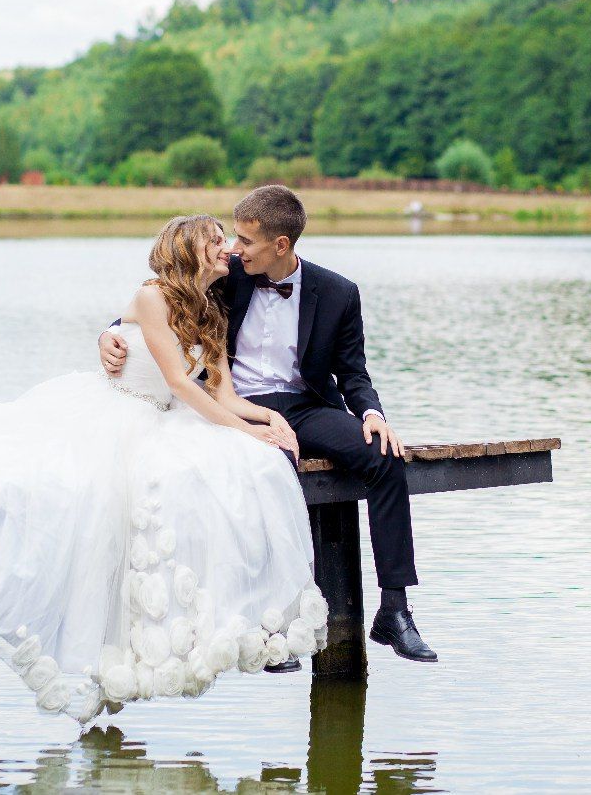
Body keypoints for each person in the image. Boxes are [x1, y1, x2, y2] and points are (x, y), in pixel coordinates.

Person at [0, 214, 330, 723]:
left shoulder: (212, 309)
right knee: (91, 486)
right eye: (215, 241)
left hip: (166, 416)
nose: (227, 248)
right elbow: (179, 382)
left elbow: (223, 394)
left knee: (254, 466)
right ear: (188, 250)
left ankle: (251, 623)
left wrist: (267, 419)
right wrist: (244, 431)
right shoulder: (152, 297)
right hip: (118, 413)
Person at [100, 185, 437, 665]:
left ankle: (395, 611)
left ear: (281, 245)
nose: (234, 248)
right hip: (237, 404)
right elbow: (163, 305)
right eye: (232, 239)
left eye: (245, 240)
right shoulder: (226, 273)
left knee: (384, 457)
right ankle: (275, 621)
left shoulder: (338, 293)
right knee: (270, 468)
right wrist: (109, 333)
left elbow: (354, 372)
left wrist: (372, 415)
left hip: (307, 405)